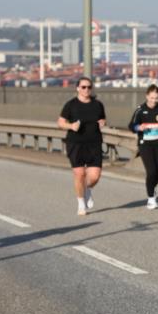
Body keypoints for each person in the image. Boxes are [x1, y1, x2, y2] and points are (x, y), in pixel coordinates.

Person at [57, 76, 107, 216]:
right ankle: (81, 204)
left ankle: (87, 188)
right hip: (76, 143)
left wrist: (102, 122)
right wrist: (71, 126)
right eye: (83, 87)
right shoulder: (70, 105)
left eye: (89, 87)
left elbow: (102, 118)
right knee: (79, 174)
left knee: (95, 176)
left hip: (94, 143)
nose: (86, 90)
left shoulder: (97, 104)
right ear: (78, 88)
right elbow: (60, 122)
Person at [128, 85, 158, 209]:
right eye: (152, 98)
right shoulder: (140, 110)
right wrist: (139, 127)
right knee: (151, 171)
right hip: (145, 144)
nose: (154, 100)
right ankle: (151, 199)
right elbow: (131, 126)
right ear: (147, 96)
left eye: (156, 98)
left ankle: (151, 188)